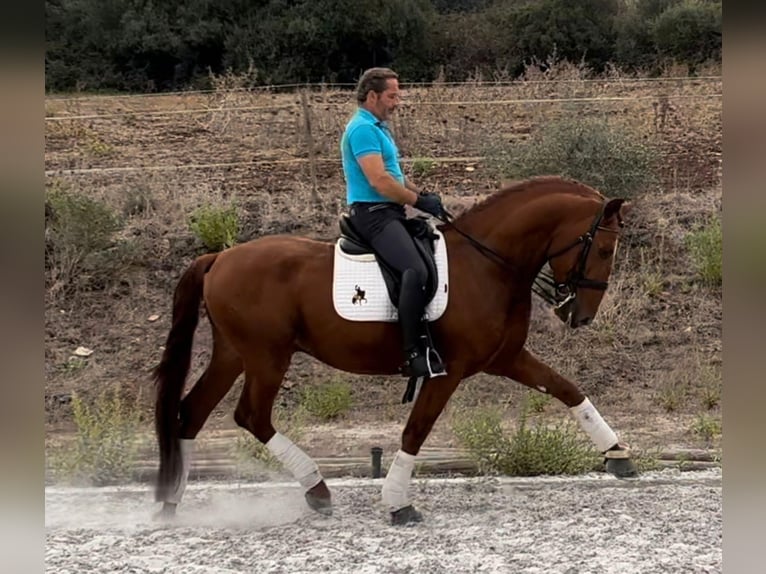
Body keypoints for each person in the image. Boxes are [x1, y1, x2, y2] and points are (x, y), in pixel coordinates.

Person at [341, 67, 447, 379]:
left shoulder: (378, 128)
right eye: (392, 96)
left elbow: (395, 176)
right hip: (373, 214)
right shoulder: (362, 129)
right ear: (372, 96)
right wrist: (416, 202)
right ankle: (412, 352)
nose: (397, 102)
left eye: (398, 95)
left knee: (427, 259)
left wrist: (423, 195)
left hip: (389, 212)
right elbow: (379, 181)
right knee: (414, 269)